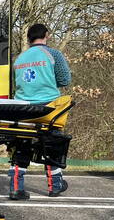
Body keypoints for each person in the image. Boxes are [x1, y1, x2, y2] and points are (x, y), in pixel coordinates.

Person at [9, 23, 72, 200]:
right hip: (47, 108)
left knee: (21, 145)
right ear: (47, 35)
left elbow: (16, 83)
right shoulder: (53, 54)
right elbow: (65, 79)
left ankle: (16, 188)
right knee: (52, 144)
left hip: (22, 108)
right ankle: (55, 185)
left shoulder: (19, 59)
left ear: (28, 38)